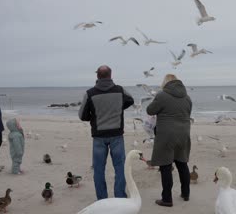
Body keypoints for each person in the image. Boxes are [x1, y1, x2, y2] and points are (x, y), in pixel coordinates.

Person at [78, 65, 135, 200]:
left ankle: (102, 199)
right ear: (111, 75)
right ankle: (120, 197)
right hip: (116, 135)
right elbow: (131, 100)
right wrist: (118, 108)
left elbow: (82, 115)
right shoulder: (120, 90)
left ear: (97, 76)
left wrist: (94, 116)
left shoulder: (90, 93)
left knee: (98, 170)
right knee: (120, 168)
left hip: (99, 136)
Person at [146, 74, 192, 207]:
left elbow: (150, 110)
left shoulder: (162, 95)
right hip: (184, 134)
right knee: (182, 164)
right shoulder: (187, 98)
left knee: (165, 166)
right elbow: (187, 114)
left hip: (166, 135)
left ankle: (167, 199)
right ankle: (186, 194)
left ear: (165, 83)